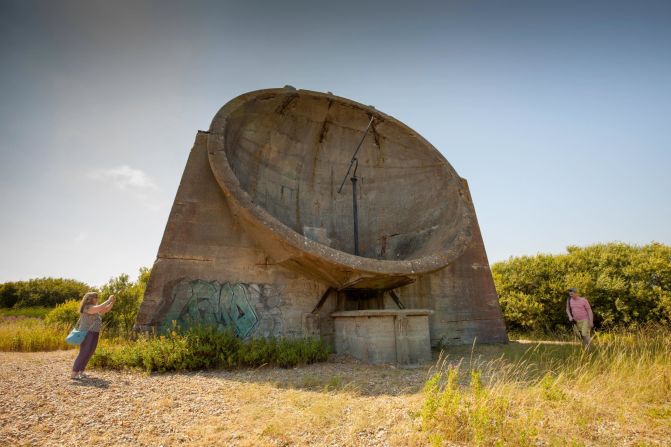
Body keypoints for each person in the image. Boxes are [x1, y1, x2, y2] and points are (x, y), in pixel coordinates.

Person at [70, 291, 115, 379]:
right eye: (96, 297)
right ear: (90, 299)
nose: (97, 299)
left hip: (94, 332)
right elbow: (100, 307)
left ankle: (81, 372)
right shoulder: (87, 307)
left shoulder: (95, 308)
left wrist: (112, 302)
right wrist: (108, 300)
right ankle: (74, 373)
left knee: (90, 352)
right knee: (84, 353)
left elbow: (105, 310)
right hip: (86, 333)